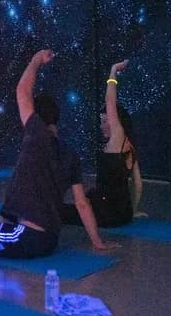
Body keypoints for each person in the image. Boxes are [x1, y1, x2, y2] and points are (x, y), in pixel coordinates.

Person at [0, 50, 118, 258]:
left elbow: (22, 92)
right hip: (49, 241)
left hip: (26, 239)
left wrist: (35, 61)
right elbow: (82, 203)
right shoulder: (70, 154)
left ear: (37, 117)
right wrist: (97, 242)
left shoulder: (37, 135)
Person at [60, 59, 143, 226]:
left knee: (57, 211)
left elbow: (110, 101)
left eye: (105, 121)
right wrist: (132, 211)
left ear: (116, 122)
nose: (102, 125)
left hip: (108, 212)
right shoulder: (130, 147)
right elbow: (138, 184)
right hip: (122, 212)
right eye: (101, 121)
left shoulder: (117, 138)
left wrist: (113, 71)